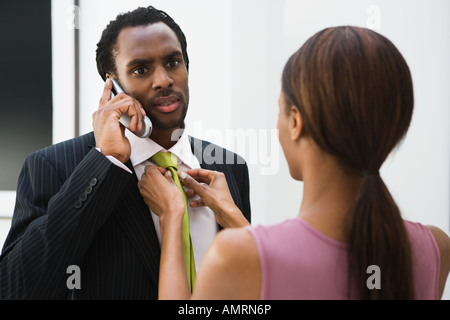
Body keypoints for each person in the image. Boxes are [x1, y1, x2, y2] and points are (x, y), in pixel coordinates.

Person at [140, 26, 450, 299]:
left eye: (279, 110)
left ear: (296, 122)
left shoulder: (232, 258)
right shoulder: (435, 249)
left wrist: (171, 216)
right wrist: (234, 216)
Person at [0, 6, 251, 299]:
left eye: (173, 62)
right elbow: (14, 289)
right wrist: (104, 161)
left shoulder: (230, 168)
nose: (163, 80)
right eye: (141, 69)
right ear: (113, 85)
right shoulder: (54, 166)